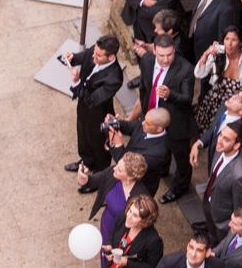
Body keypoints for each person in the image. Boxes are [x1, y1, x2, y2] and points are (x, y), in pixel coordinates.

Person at [126, 35, 195, 204]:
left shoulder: (185, 69)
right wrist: (144, 109)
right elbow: (145, 86)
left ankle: (180, 187)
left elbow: (187, 98)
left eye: (170, 54)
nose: (166, 59)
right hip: (152, 116)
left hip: (176, 123)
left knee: (181, 158)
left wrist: (171, 95)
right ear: (154, 50)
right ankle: (163, 169)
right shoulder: (148, 61)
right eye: (162, 55)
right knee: (159, 149)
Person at [82, 152, 150, 268]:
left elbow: (141, 223)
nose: (114, 168)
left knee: (117, 266)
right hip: (107, 224)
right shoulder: (113, 174)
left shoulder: (141, 196)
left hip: (123, 233)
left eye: (119, 169)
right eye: (117, 165)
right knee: (105, 257)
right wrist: (84, 178)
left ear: (129, 177)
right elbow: (93, 180)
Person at [63, 36, 123, 174]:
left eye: (98, 55)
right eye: (94, 52)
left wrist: (77, 82)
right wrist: (71, 58)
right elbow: (84, 56)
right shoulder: (95, 51)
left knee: (97, 142)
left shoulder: (114, 78)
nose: (93, 56)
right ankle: (86, 160)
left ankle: (99, 172)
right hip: (83, 106)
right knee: (82, 133)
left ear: (111, 57)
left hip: (98, 113)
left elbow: (92, 100)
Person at [193, 26, 242, 133]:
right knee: (211, 131)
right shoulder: (217, 55)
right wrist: (206, 54)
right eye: (227, 39)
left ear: (240, 42)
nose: (229, 44)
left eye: (234, 40)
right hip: (215, 100)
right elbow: (199, 74)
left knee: (231, 133)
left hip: (236, 103)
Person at [201, 122, 242, 243]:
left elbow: (239, 209)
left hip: (222, 223)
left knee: (218, 244)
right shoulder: (221, 148)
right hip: (210, 204)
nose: (219, 141)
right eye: (221, 135)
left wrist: (228, 228)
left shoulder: (241, 176)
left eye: (226, 139)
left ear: (236, 145)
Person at [185, 0, 242, 64]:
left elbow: (225, 44)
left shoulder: (227, 8)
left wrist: (210, 56)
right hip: (193, 47)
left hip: (208, 58)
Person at [104, 109, 171, 197]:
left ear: (159, 129)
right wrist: (114, 123)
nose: (142, 123)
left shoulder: (158, 153)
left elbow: (128, 167)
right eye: (144, 120)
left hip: (138, 189)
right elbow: (127, 126)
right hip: (124, 179)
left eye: (147, 123)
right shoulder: (145, 126)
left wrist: (118, 144)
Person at [189, 90, 242, 171]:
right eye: (236, 93)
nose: (234, 96)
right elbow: (213, 130)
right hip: (212, 161)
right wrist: (198, 143)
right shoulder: (223, 107)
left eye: (239, 99)